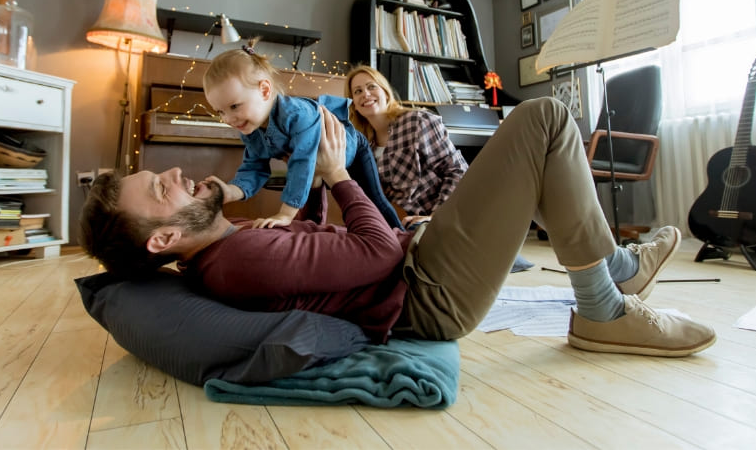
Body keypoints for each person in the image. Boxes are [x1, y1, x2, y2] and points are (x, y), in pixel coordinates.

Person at [80, 97, 716, 357]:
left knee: (539, 159)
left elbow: (315, 246)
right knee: (545, 119)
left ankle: (619, 276)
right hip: (427, 288)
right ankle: (605, 307)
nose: (174, 176)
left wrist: (332, 170)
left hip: (420, 258)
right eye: (159, 191)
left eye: (159, 173)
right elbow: (377, 255)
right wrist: (336, 178)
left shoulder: (229, 246)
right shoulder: (238, 262)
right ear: (162, 241)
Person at [202, 48, 402, 230]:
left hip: (353, 149)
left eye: (235, 106)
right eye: (220, 111)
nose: (228, 119)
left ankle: (402, 237)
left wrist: (285, 213)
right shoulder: (252, 131)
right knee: (313, 191)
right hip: (316, 162)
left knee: (375, 198)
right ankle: (313, 231)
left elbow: (302, 163)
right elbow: (253, 168)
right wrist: (230, 191)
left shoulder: (296, 114)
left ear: (264, 90)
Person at [345, 65, 467, 228]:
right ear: (354, 104)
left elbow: (457, 170)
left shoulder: (417, 121)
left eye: (371, 87)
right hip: (394, 224)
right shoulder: (364, 146)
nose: (365, 94)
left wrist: (435, 216)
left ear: (385, 92)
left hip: (430, 219)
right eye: (358, 91)